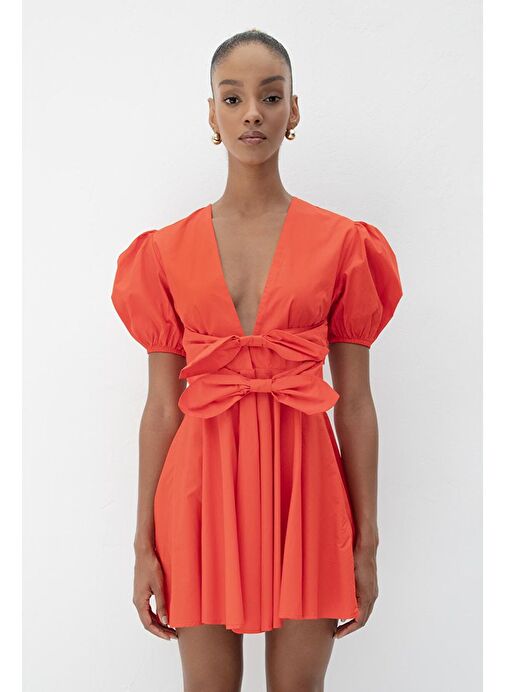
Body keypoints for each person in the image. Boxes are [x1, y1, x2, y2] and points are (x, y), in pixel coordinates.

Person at [111, 28, 403, 692]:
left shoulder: (343, 243)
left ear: (293, 110)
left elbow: (356, 403)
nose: (252, 114)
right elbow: (161, 408)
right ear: (211, 113)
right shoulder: (163, 252)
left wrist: (366, 542)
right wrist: (142, 545)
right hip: (197, 492)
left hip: (307, 490)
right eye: (232, 97)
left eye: (270, 97)